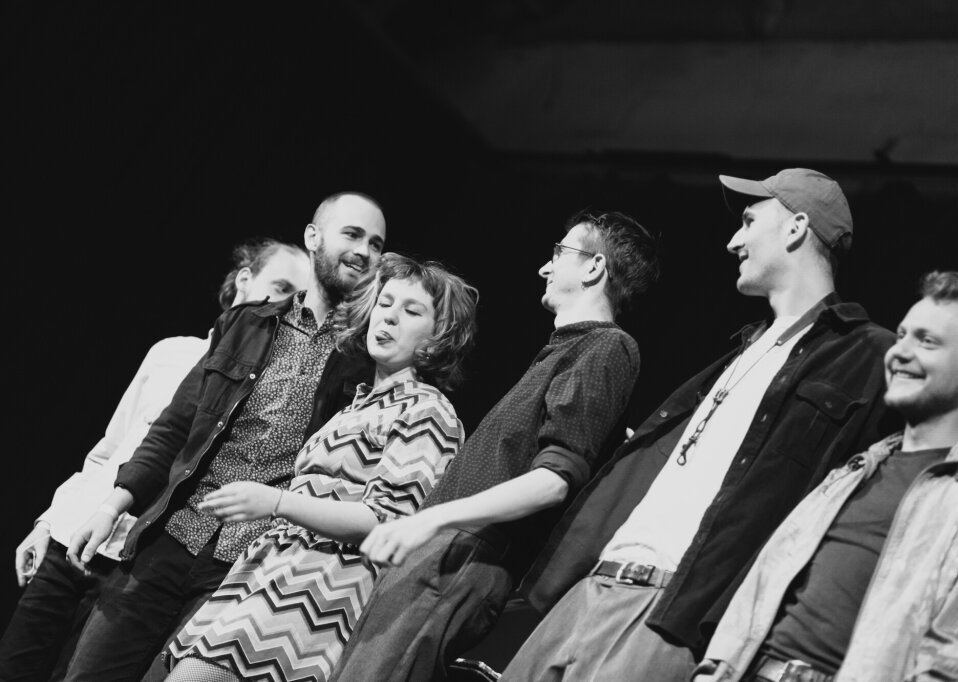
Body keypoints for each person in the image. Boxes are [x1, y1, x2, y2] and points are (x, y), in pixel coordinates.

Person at [501, 169, 896, 681]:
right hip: (589, 589)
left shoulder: (866, 356)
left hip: (669, 609)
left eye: (750, 221)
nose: (733, 240)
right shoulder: (742, 349)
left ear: (797, 228)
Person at [60, 191, 386, 682]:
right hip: (169, 537)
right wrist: (112, 507)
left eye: (377, 243)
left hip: (246, 571)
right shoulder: (248, 321)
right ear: (313, 237)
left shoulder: (366, 362)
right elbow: (175, 426)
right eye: (353, 234)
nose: (365, 251)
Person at [333, 210, 660, 682]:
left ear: (593, 268)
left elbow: (552, 482)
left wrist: (433, 518)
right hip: (439, 555)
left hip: (463, 557)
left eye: (558, 253)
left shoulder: (607, 347)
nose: (544, 268)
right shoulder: (566, 348)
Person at [0, 237, 309, 682]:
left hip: (132, 559)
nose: (284, 304)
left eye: (294, 296)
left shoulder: (270, 384)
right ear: (245, 279)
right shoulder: (171, 352)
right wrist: (49, 521)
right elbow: (109, 450)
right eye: (279, 287)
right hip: (76, 539)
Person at [695, 269, 958, 682]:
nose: (900, 351)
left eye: (927, 341)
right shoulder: (854, 469)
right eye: (902, 334)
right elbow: (762, 588)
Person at [163, 253, 479, 682]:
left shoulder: (427, 410)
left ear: (437, 338)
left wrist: (276, 500)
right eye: (385, 304)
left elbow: (386, 520)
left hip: (320, 589)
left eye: (411, 311)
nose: (389, 318)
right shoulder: (358, 403)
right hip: (274, 572)